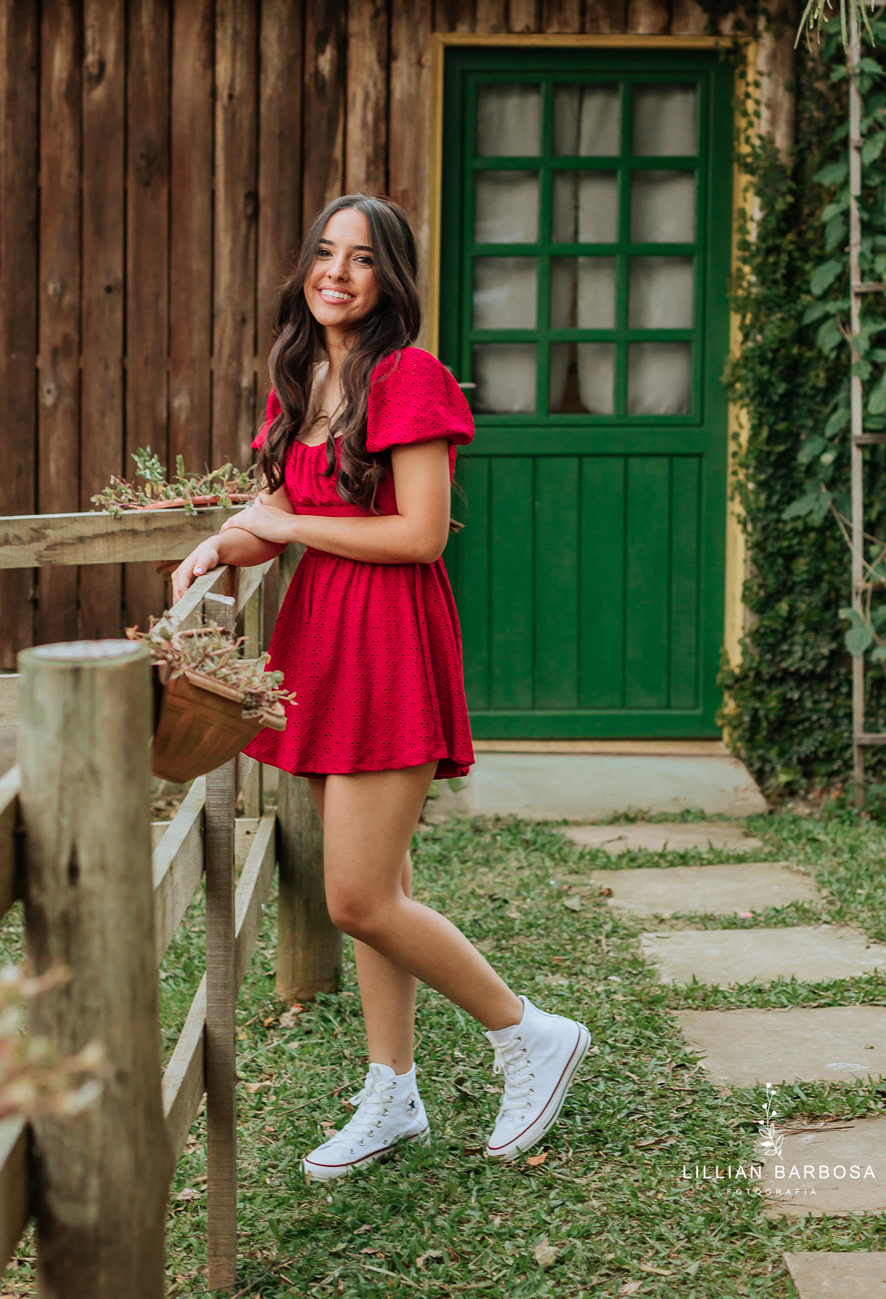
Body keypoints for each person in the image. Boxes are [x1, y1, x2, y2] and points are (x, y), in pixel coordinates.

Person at [172, 194, 590, 1179]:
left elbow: (417, 534)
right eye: (324, 252)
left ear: (390, 279)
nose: (337, 272)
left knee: (357, 896)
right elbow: (279, 505)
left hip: (390, 641)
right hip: (326, 644)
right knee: (382, 883)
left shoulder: (409, 379)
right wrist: (218, 544)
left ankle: (528, 1033)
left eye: (362, 259)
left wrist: (284, 530)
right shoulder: (301, 375)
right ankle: (392, 1093)